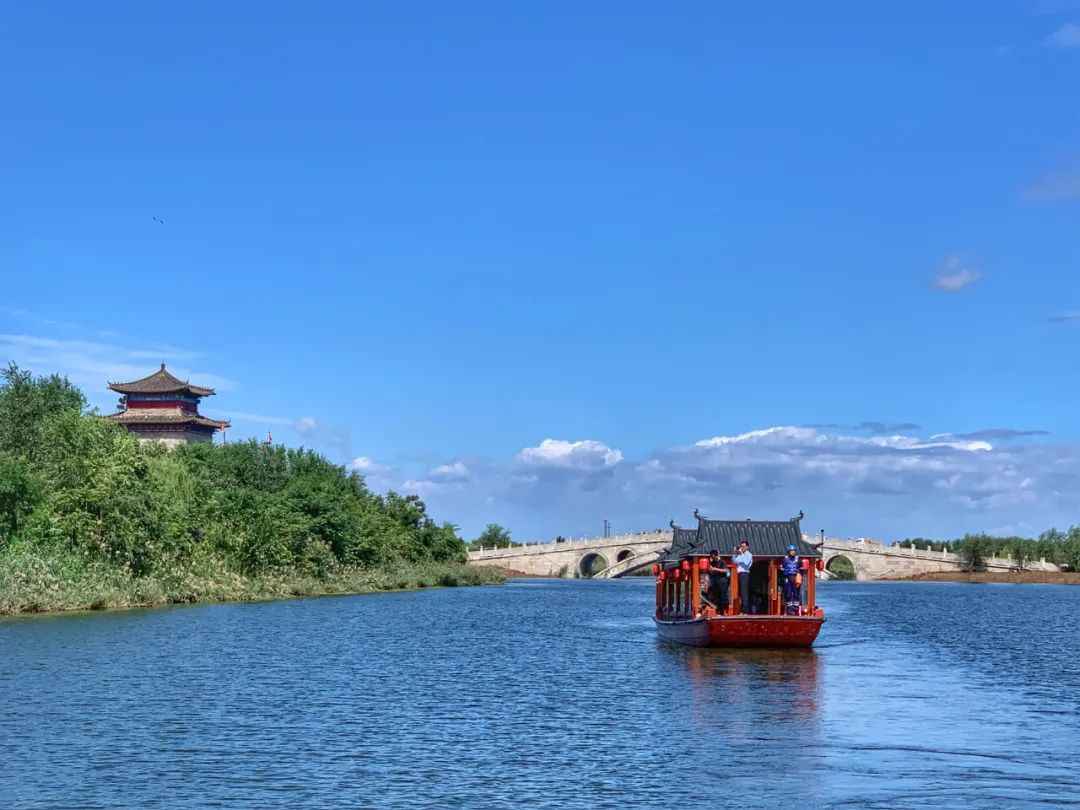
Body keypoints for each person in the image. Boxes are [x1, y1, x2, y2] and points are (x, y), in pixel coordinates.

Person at [732, 540, 753, 614]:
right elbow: (734, 561)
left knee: (744, 593)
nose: (742, 548)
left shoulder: (749, 554)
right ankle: (742, 610)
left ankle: (745, 611)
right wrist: (735, 553)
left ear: (747, 547)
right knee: (740, 593)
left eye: (744, 546)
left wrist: (741, 554)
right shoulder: (740, 554)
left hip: (745, 574)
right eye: (741, 546)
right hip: (739, 574)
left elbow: (746, 563)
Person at [781, 544, 801, 615]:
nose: (793, 552)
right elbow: (782, 567)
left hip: (795, 577)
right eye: (791, 551)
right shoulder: (785, 559)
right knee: (788, 593)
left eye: (794, 551)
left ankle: (796, 608)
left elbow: (800, 567)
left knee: (796, 593)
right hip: (787, 577)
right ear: (789, 551)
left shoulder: (798, 559)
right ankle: (789, 609)